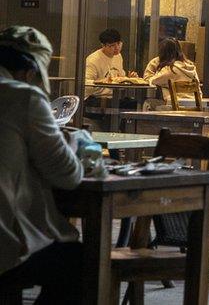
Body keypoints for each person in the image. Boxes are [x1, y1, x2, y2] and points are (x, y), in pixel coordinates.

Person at [0, 26, 83, 304]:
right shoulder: (24, 97)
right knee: (79, 264)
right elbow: (68, 176)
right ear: (30, 72)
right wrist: (73, 145)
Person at [84, 28, 137, 104]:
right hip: (95, 98)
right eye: (112, 45)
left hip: (114, 97)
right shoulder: (93, 60)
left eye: (118, 44)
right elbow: (85, 83)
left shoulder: (118, 56)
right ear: (103, 45)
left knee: (136, 104)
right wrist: (100, 81)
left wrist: (129, 79)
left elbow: (119, 78)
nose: (117, 48)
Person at [148, 38, 199, 103]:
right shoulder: (191, 67)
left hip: (174, 106)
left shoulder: (170, 69)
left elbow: (153, 81)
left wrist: (158, 70)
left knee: (148, 103)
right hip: (194, 104)